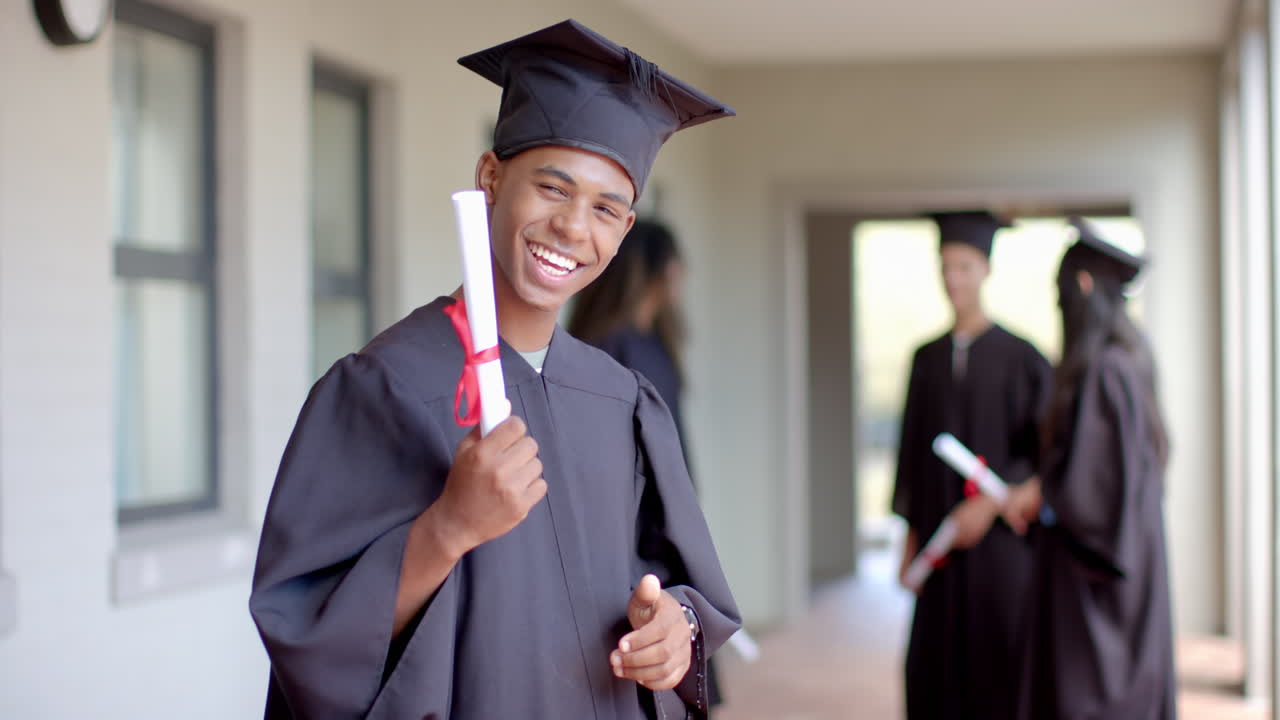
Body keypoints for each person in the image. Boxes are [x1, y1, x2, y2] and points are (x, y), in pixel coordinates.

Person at [249, 19, 739, 719]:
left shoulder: (620, 398)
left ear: (625, 230)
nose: (575, 227)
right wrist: (447, 527)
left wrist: (676, 629)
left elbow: (683, 588)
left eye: (606, 208)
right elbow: (309, 630)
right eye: (552, 187)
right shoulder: (384, 386)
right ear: (490, 179)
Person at [1002, 218, 1176, 720]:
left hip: (1096, 585)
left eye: (1061, 294)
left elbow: (1091, 491)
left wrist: (1039, 495)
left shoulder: (1105, 371)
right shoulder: (1132, 358)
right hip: (1132, 565)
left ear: (1081, 287)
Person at [891, 211, 1053, 720]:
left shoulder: (1023, 357)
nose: (953, 278)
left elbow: (1046, 455)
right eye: (946, 266)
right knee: (932, 672)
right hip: (940, 543)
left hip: (1000, 549)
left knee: (996, 670)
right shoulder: (926, 358)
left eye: (964, 265)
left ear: (986, 269)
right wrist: (911, 539)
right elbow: (911, 455)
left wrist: (992, 504)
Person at [568, 219, 725, 708]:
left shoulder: (657, 342)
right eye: (674, 264)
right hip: (628, 522)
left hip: (667, 511)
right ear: (654, 270)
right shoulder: (607, 347)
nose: (681, 275)